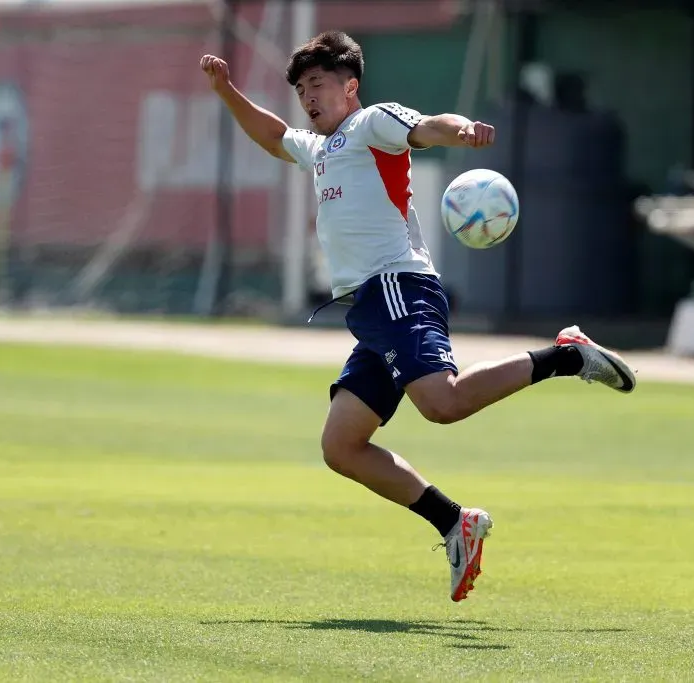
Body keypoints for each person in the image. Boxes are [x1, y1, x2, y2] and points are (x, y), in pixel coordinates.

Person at [199, 32, 636, 603]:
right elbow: (275, 136)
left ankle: (567, 356)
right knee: (342, 446)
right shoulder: (322, 147)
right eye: (302, 88)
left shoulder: (371, 122)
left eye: (319, 85)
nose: (308, 97)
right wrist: (227, 90)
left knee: (443, 403)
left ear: (349, 87)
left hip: (398, 287)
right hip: (370, 309)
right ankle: (455, 522)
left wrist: (463, 131)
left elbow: (427, 125)